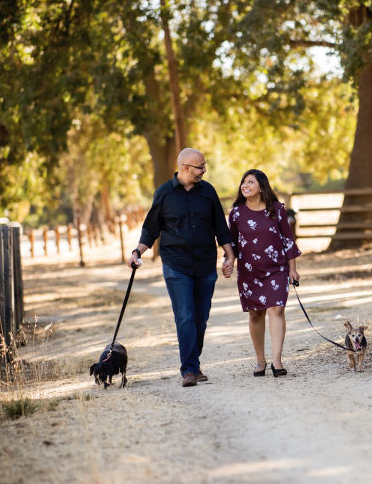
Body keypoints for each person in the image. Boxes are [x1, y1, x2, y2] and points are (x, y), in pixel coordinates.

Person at [127, 148, 236, 387]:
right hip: (176, 265)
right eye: (200, 167)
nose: (204, 170)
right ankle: (189, 369)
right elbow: (151, 228)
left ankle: (193, 365)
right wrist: (137, 252)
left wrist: (230, 256)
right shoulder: (164, 193)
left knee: (200, 319)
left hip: (205, 264)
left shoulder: (208, 192)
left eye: (204, 166)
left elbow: (221, 226)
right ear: (185, 167)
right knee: (185, 316)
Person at [228, 169, 301, 377]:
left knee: (276, 309)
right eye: (243, 182)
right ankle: (260, 360)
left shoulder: (276, 209)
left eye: (250, 182)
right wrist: (229, 261)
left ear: (261, 186)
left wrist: (292, 269)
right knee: (255, 313)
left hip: (276, 269)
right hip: (249, 272)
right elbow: (231, 243)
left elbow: (288, 240)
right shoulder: (236, 213)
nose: (245, 185)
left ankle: (277, 361)